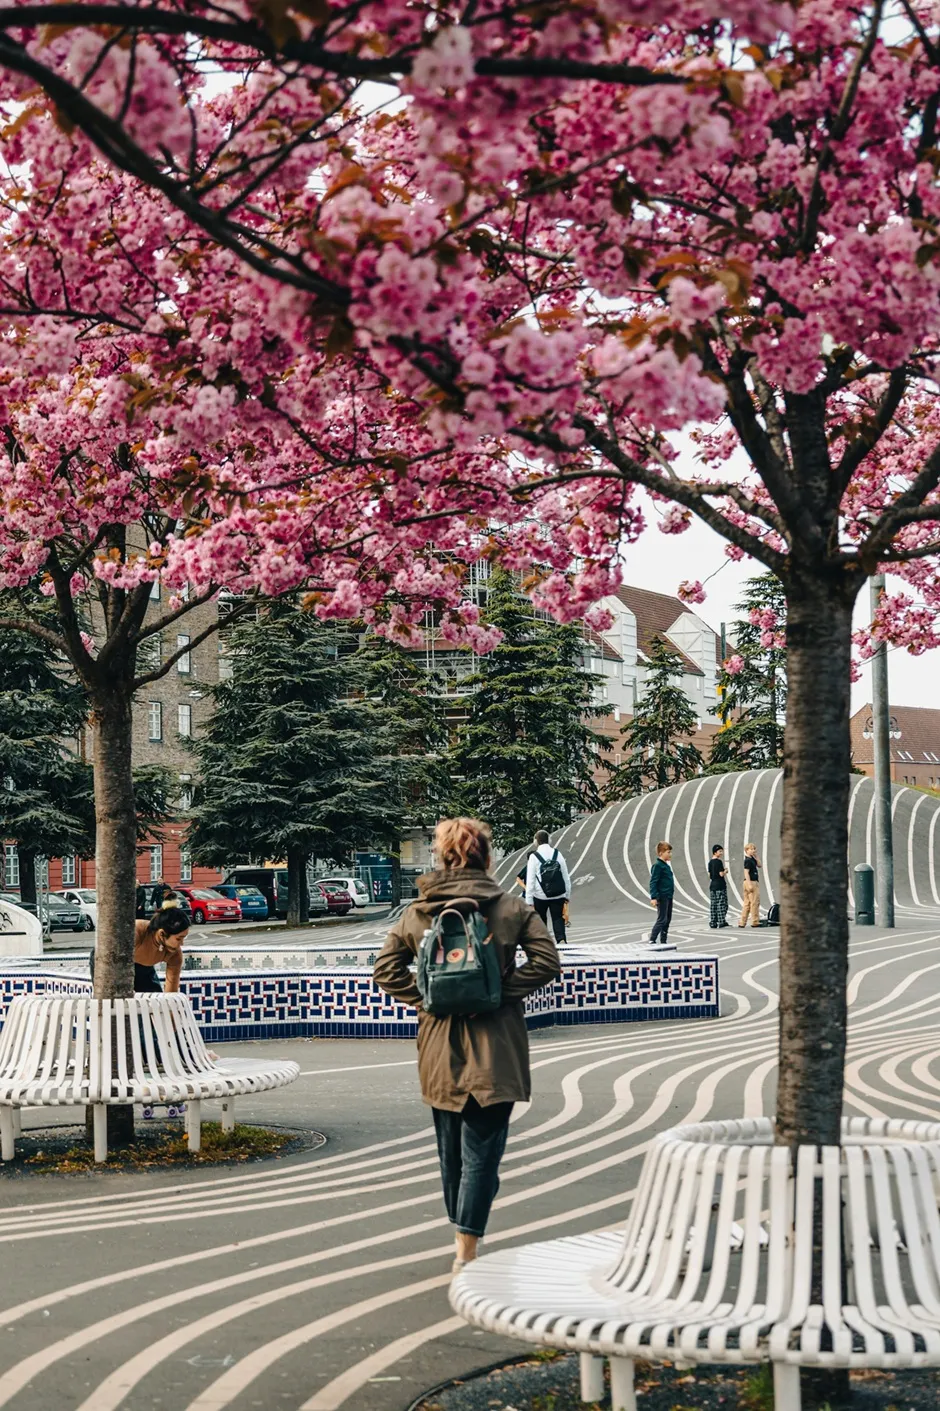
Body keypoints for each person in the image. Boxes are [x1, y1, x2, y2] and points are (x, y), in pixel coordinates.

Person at [373, 817, 560, 1274]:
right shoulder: (511, 908)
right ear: (486, 857)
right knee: (483, 1156)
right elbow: (546, 961)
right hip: (496, 1048)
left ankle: (462, 1237)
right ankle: (466, 1249)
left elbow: (385, 970)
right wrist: (497, 992)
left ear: (441, 856)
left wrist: (430, 999)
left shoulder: (418, 913)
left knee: (451, 1154)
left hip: (439, 1048)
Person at [524, 829, 571, 944]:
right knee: (558, 918)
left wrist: (529, 900)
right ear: (549, 840)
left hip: (540, 895)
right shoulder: (557, 853)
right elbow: (565, 875)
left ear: (536, 842)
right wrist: (567, 894)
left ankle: (544, 942)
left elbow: (530, 879)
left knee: (541, 919)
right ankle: (561, 940)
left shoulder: (534, 857)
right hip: (558, 893)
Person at [134, 903, 190, 992]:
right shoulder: (136, 933)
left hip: (145, 971)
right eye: (179, 938)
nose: (182, 943)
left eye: (184, 937)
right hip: (118, 967)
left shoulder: (174, 954)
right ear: (161, 934)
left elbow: (171, 993)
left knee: (156, 1002)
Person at [648, 840, 675, 946]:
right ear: (660, 853)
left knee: (667, 919)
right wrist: (654, 897)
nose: (670, 854)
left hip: (669, 896)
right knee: (662, 919)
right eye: (668, 852)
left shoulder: (666, 866)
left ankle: (664, 940)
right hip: (662, 896)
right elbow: (653, 882)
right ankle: (652, 939)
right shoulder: (658, 866)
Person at [739, 843, 762, 928]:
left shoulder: (752, 858)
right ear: (746, 850)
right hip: (751, 882)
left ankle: (742, 922)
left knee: (747, 903)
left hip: (751, 882)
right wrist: (749, 884)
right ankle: (755, 921)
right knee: (754, 902)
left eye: (754, 849)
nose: (753, 850)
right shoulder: (747, 860)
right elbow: (746, 873)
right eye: (751, 849)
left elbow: (760, 865)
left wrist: (756, 857)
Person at [707, 844, 729, 929]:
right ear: (715, 852)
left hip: (713, 885)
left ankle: (713, 921)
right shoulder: (719, 862)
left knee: (714, 904)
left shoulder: (710, 862)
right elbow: (721, 874)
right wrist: (725, 871)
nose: (721, 853)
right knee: (722, 903)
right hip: (720, 885)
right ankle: (721, 921)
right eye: (720, 851)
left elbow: (709, 875)